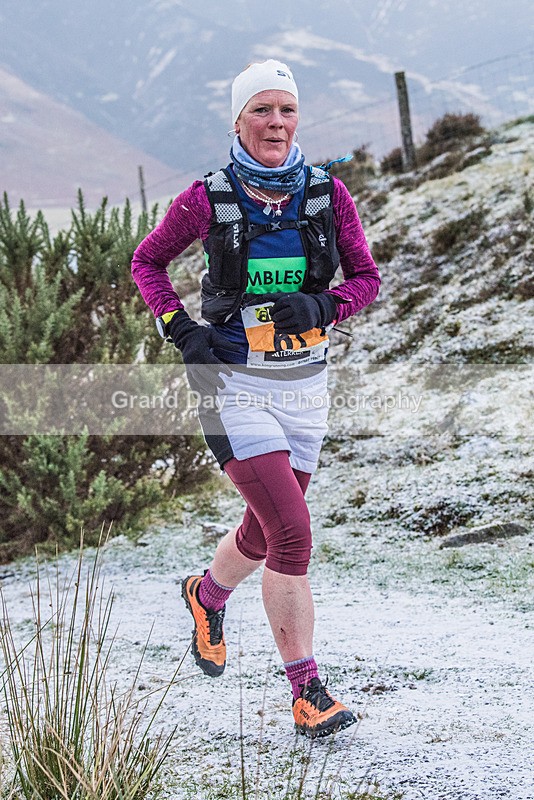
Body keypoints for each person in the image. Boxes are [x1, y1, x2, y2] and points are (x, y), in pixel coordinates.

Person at [132, 59, 380, 739]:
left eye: (287, 110)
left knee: (264, 528)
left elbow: (367, 277)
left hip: (307, 389)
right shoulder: (208, 198)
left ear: (298, 118)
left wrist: (327, 303)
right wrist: (179, 329)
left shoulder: (329, 194)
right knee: (292, 534)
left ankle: (205, 594)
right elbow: (145, 262)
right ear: (238, 120)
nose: (276, 123)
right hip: (233, 387)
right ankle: (308, 693)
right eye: (262, 110)